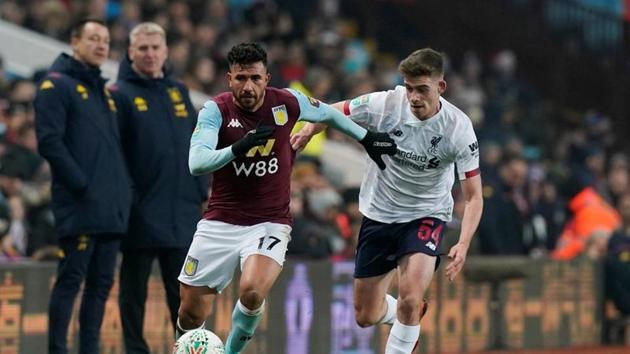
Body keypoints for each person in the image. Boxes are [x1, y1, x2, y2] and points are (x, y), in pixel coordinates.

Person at [174, 42, 397, 354]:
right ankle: (184, 347)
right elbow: (196, 162)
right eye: (240, 79)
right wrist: (239, 147)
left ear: (267, 78)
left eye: (255, 78)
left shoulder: (288, 102)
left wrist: (366, 138)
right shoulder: (216, 110)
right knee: (190, 312)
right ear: (229, 79)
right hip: (220, 221)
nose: (248, 86)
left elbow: (328, 113)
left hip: (270, 222)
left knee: (252, 291)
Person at [292, 48, 484, 354]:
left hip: (426, 215)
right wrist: (309, 128)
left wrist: (463, 242)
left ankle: (408, 315)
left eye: (422, 89)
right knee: (365, 315)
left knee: (410, 295)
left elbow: (474, 196)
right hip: (379, 214)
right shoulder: (386, 103)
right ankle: (404, 317)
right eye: (410, 88)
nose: (415, 98)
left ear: (441, 87)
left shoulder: (458, 129)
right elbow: (335, 110)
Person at [109, 22, 209, 354]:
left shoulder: (178, 91)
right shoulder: (119, 95)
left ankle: (188, 348)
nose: (150, 54)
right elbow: (115, 155)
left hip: (181, 211)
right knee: (133, 292)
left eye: (155, 48)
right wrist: (130, 201)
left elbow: (198, 144)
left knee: (184, 294)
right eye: (143, 48)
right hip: (140, 212)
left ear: (166, 51)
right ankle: (135, 350)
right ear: (130, 52)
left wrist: (201, 191)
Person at [34, 19, 131, 354]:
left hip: (110, 206)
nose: (101, 45)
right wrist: (81, 184)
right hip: (80, 203)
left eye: (105, 40)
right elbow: (49, 142)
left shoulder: (102, 91)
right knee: (71, 280)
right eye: (93, 39)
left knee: (101, 286)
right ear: (74, 41)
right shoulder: (56, 85)